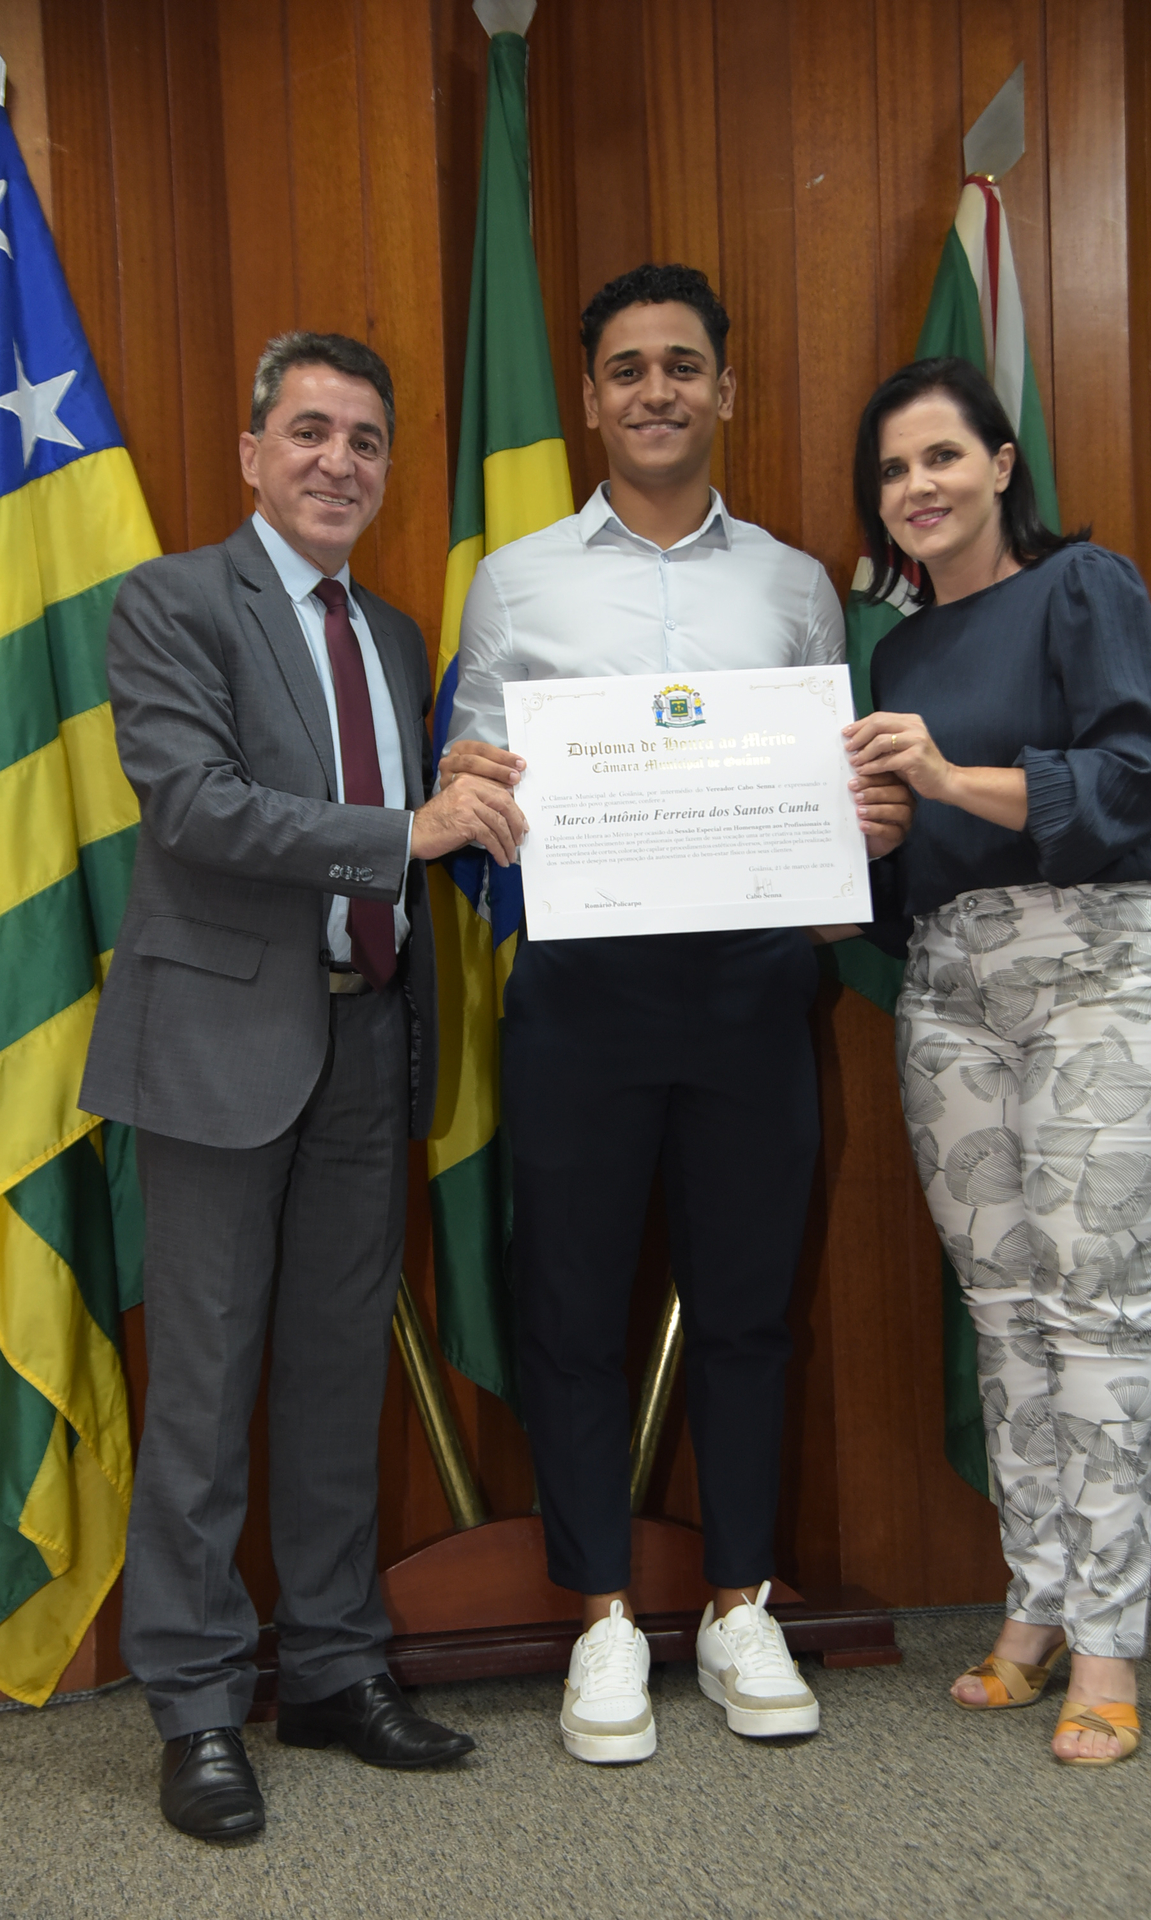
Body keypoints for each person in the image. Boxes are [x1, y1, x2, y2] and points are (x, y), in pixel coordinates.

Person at [439, 263, 913, 1763]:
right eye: (628, 368)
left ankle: (737, 1603)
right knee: (572, 1306)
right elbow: (478, 774)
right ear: (590, 398)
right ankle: (598, 1617)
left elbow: (828, 785)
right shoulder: (514, 581)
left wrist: (852, 836)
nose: (656, 390)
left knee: (751, 1307)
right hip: (580, 993)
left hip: (752, 990)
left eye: (683, 365)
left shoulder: (793, 585)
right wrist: (475, 790)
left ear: (726, 390)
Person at [80, 331, 527, 1840]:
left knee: (339, 1373)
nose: (340, 461)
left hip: (369, 1041)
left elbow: (420, 811)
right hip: (221, 1047)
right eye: (311, 432)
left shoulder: (394, 635)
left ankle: (333, 1668)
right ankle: (198, 1704)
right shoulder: (172, 601)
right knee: (205, 1384)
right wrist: (410, 833)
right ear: (254, 453)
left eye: (366, 440)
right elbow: (196, 808)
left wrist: (475, 807)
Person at [847, 355, 1151, 1768]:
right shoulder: (895, 656)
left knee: (1095, 1309)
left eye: (941, 456)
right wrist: (874, 842)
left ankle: (1109, 1644)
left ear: (1001, 465)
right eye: (891, 470)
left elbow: (1134, 778)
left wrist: (943, 779)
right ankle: (1038, 1602)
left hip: (1105, 969)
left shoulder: (1083, 587)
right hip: (950, 988)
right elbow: (909, 875)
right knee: (1002, 1311)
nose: (916, 486)